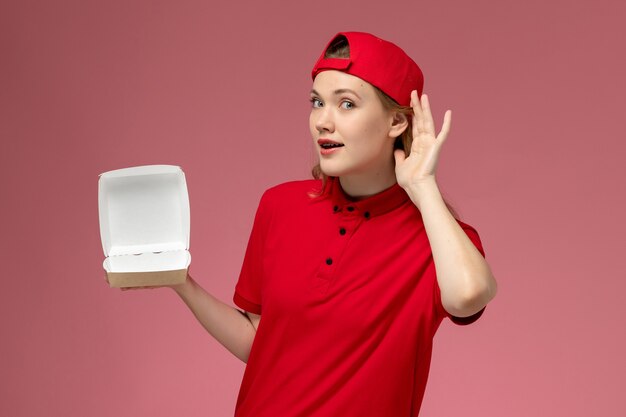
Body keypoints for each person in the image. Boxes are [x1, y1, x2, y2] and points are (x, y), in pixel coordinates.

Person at [121, 31, 497, 416]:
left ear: (397, 123)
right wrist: (183, 284)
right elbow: (258, 342)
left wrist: (423, 187)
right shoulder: (280, 205)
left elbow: (468, 295)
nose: (323, 121)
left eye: (347, 104)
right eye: (317, 102)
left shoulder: (438, 236)